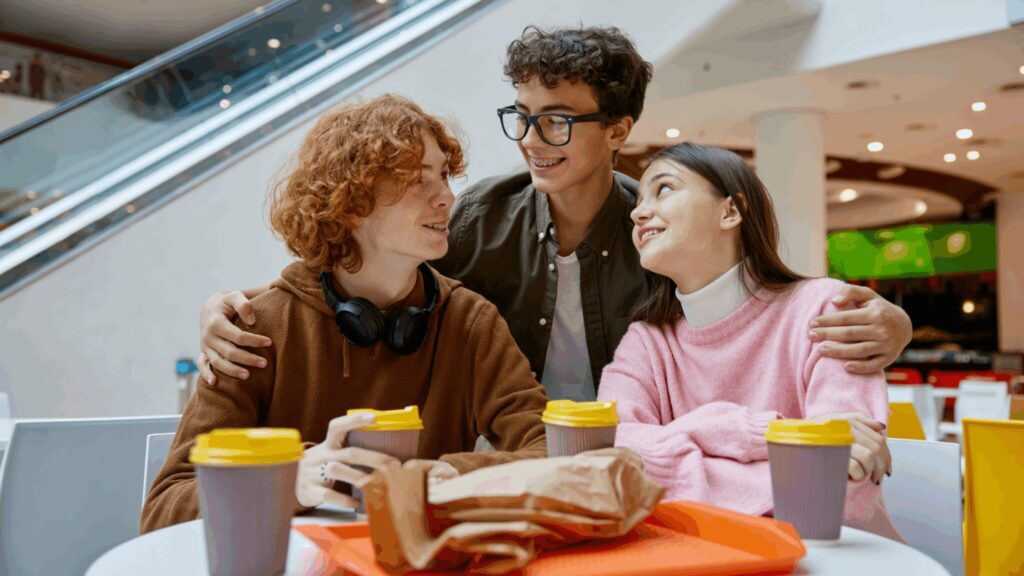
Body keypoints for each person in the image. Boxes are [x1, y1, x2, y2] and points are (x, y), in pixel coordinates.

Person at [195, 26, 912, 405]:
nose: (534, 140)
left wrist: (894, 325)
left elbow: (758, 304)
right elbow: (359, 271)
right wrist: (234, 306)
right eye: (524, 115)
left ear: (619, 130)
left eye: (559, 120)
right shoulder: (478, 216)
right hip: (507, 446)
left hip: (636, 448)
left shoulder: (656, 229)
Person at [141, 95, 549, 533]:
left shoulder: (469, 320)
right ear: (353, 201)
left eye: (444, 176)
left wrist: (446, 476)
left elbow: (549, 450)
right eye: (417, 179)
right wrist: (285, 482)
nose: (447, 197)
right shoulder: (255, 331)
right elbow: (164, 508)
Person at [598, 141, 900, 539]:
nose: (637, 212)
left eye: (664, 189)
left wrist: (672, 463)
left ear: (730, 211)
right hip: (704, 557)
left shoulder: (824, 308)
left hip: (834, 556)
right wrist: (759, 433)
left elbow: (840, 484)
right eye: (639, 200)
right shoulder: (645, 342)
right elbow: (611, 454)